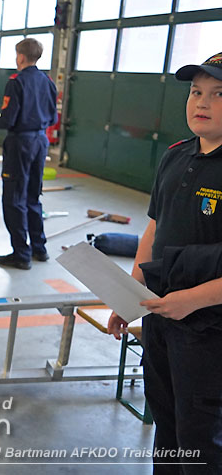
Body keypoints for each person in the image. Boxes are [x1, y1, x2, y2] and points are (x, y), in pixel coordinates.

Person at [108, 51, 222, 473]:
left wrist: (193, 299)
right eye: (196, 92)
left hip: (210, 332)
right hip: (162, 321)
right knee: (169, 431)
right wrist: (130, 295)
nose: (201, 103)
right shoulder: (176, 156)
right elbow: (152, 233)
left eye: (218, 93)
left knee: (202, 441)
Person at [0, 38, 57, 271]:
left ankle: (21, 252)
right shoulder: (47, 81)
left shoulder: (16, 82)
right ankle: (39, 247)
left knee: (14, 197)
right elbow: (53, 117)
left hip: (20, 142)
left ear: (20, 56)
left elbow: (9, 118)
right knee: (32, 195)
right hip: (40, 140)